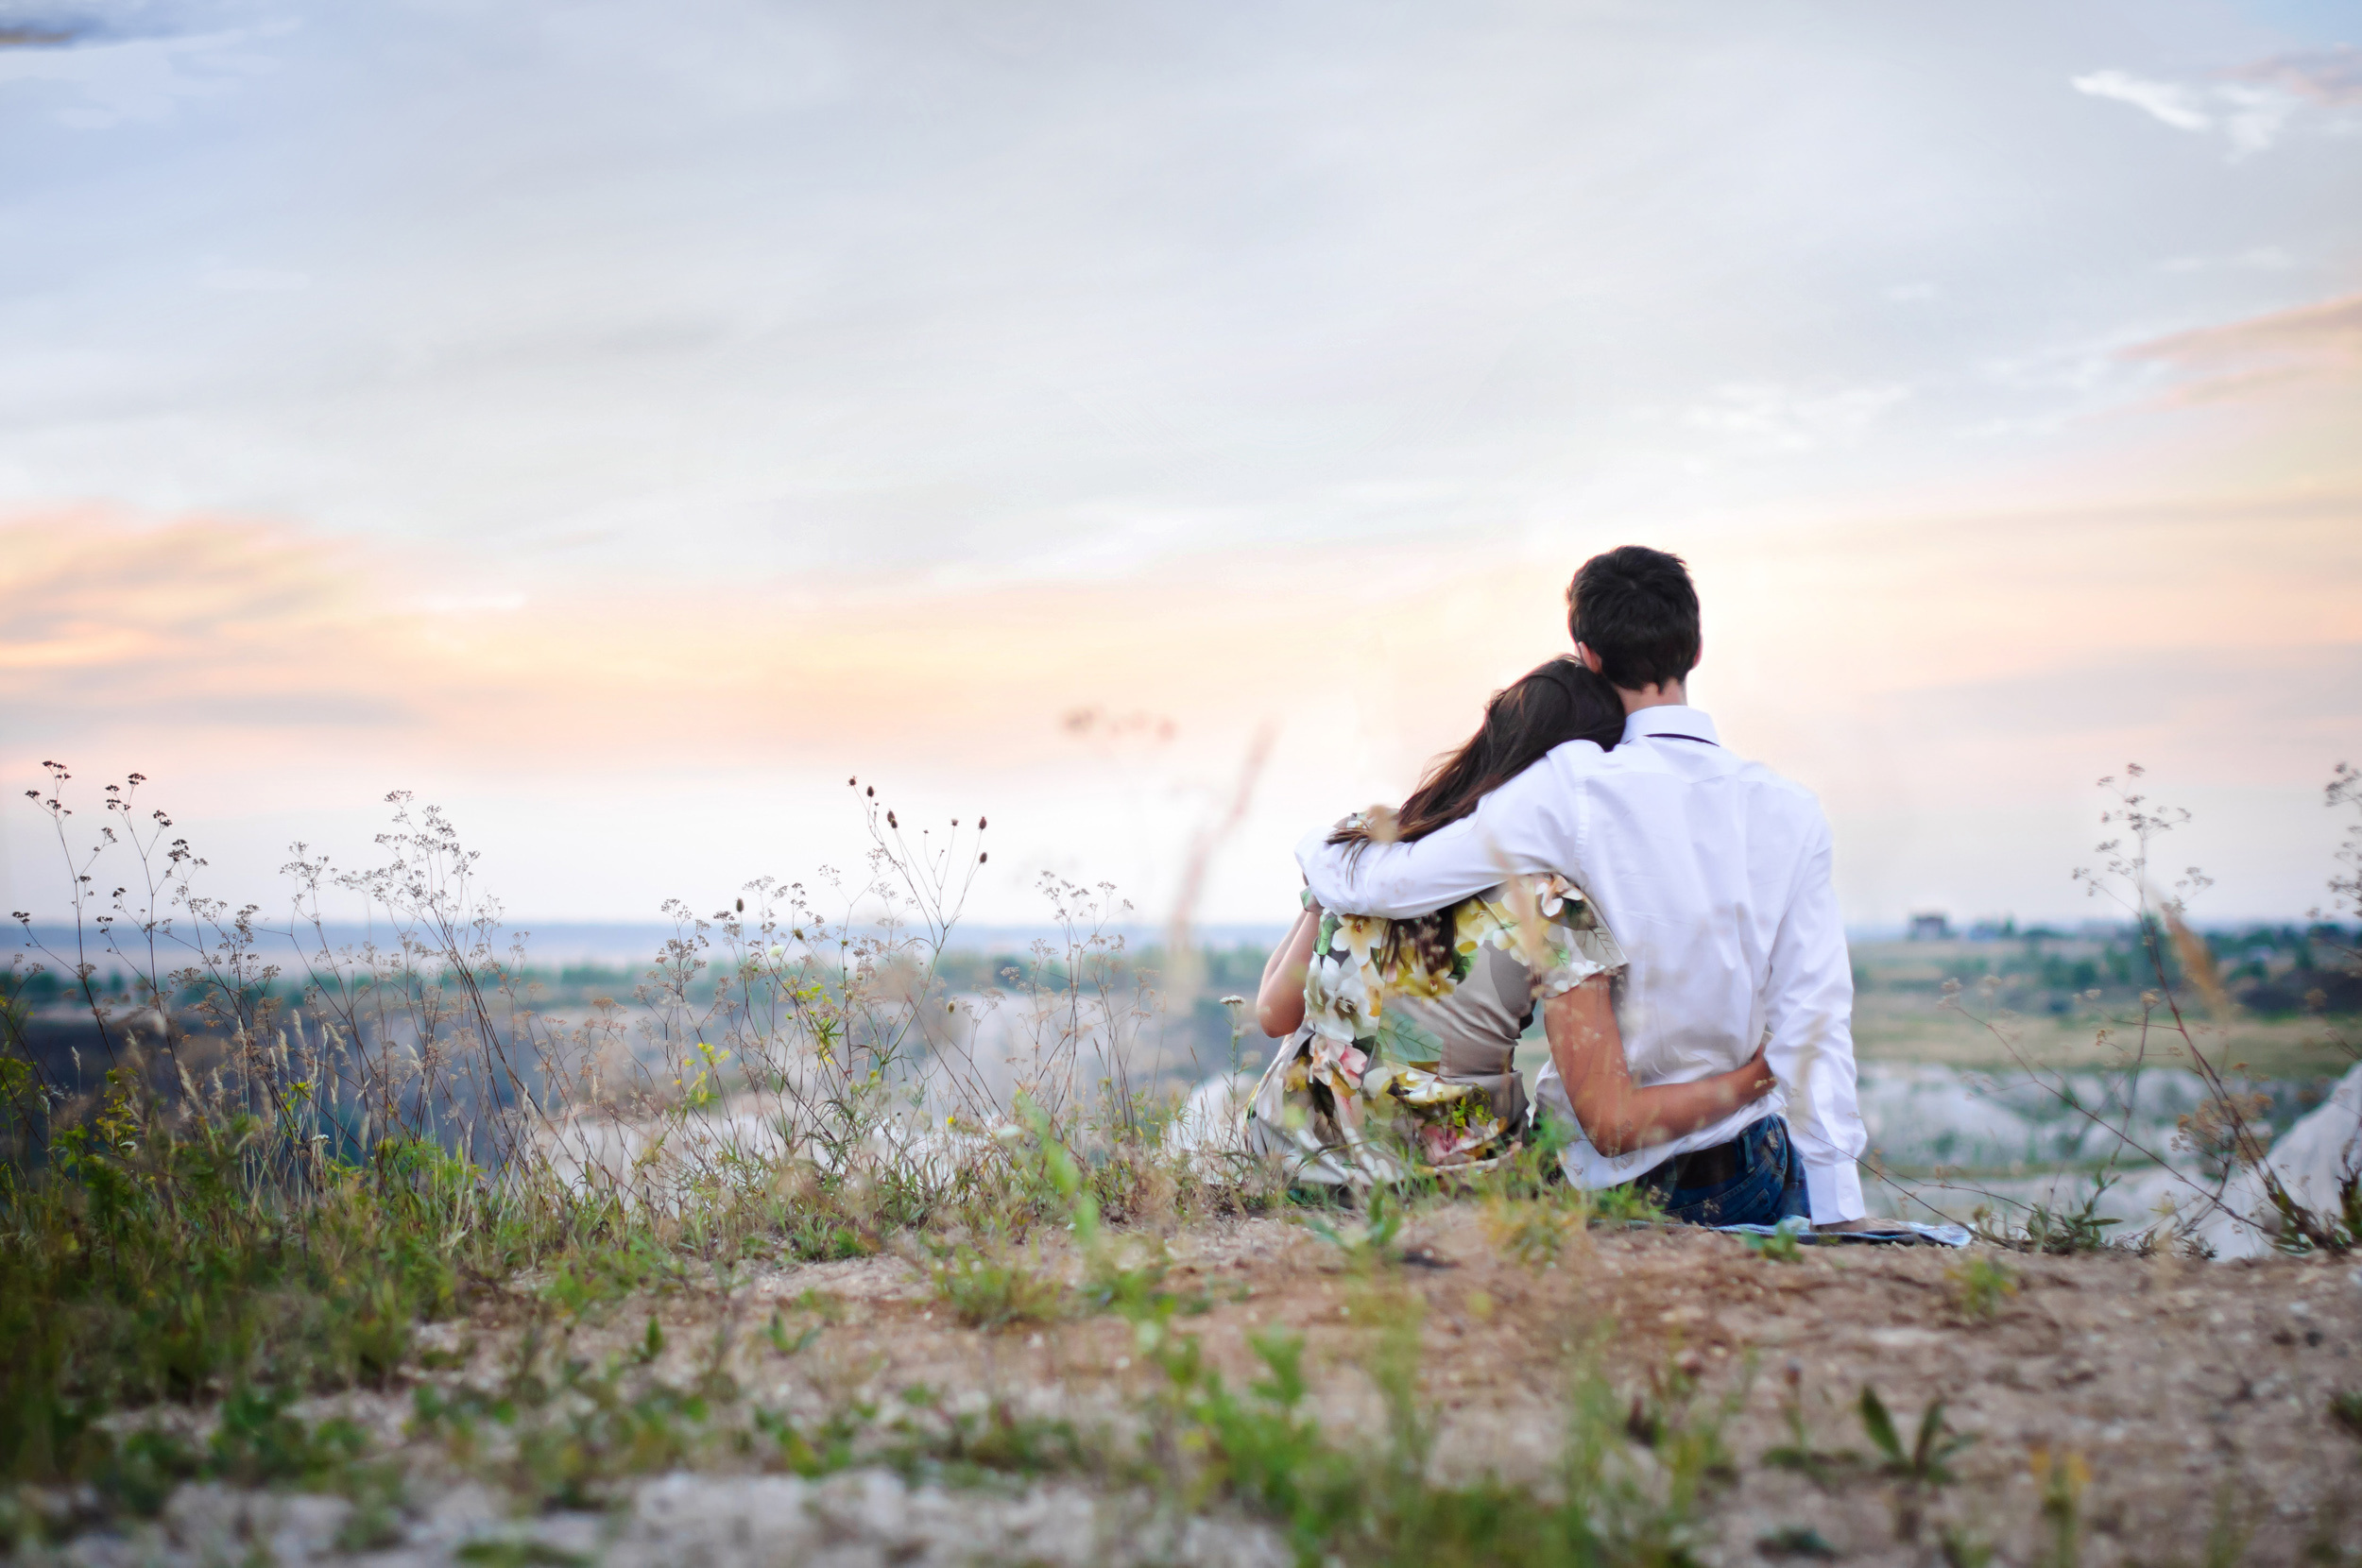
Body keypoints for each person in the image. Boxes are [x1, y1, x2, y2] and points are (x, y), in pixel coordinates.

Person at [1293, 546, 1874, 1230]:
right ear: (1695, 649)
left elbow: (1398, 883)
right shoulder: (1792, 811)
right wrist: (1838, 1209)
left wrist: (1319, 848)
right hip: (1748, 1168)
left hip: (1602, 1178)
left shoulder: (1570, 786)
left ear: (1588, 655)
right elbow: (1816, 1013)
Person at [1243, 656, 1777, 1188]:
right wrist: (1758, 1076)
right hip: (1444, 1185)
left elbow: (1273, 1013)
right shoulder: (1551, 908)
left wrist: (1319, 897)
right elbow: (1612, 1124)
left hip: (1294, 1162)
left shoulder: (1364, 846)